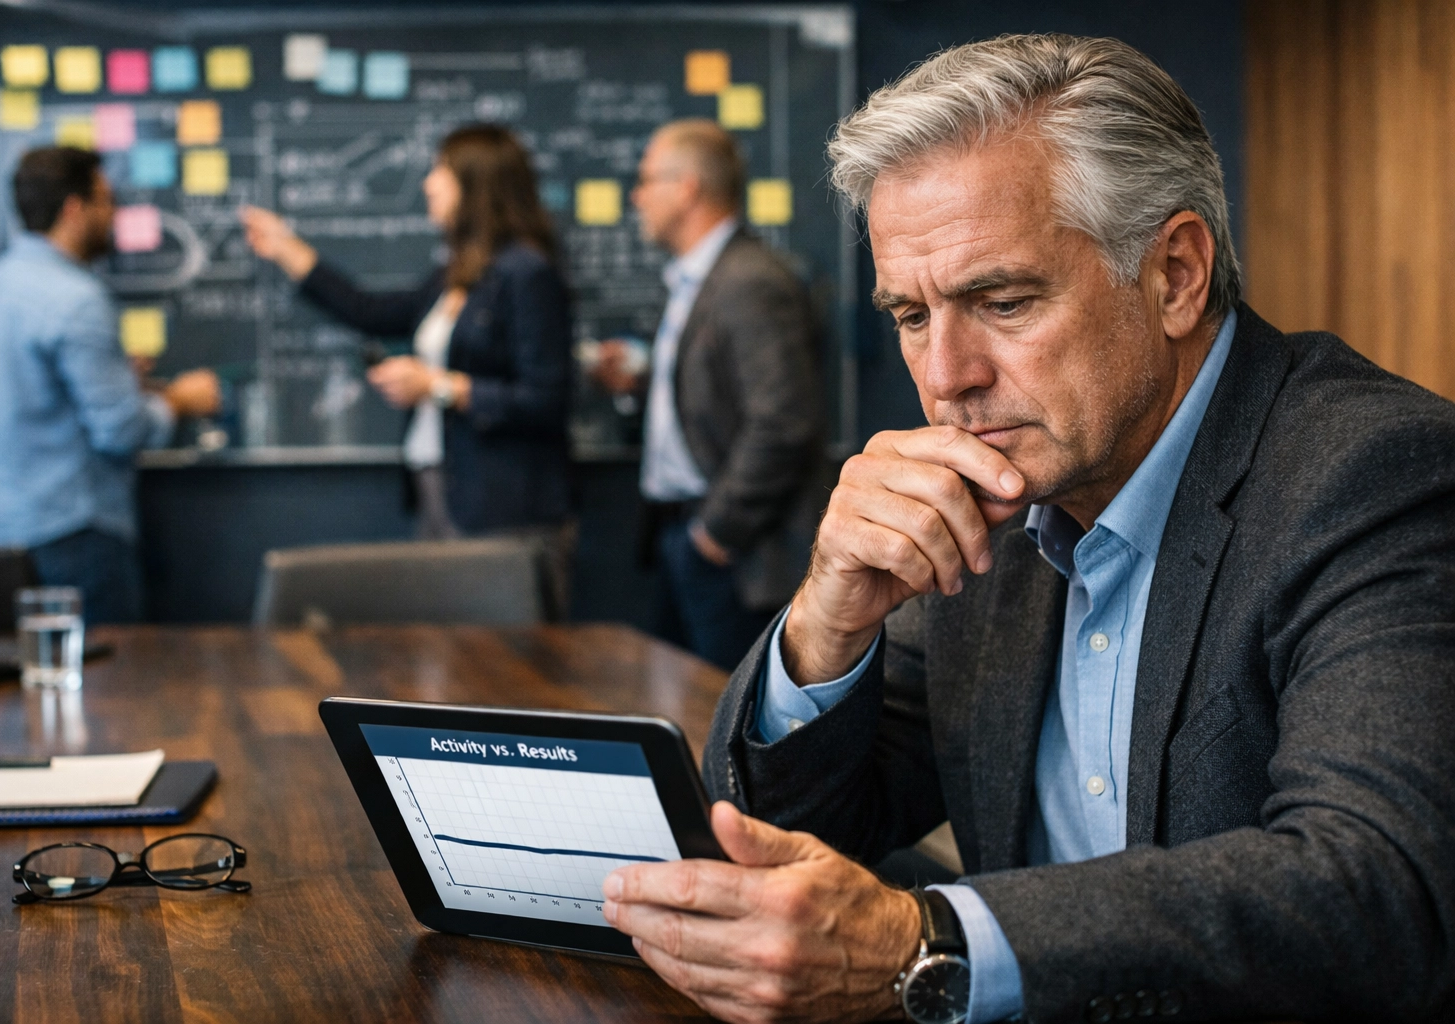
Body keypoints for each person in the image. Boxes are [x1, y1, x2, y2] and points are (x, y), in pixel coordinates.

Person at [599, 35, 1455, 1024]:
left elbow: (1378, 889)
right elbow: (788, 835)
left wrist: (931, 944)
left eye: (1001, 302)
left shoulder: (1375, 474)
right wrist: (825, 621)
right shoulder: (1001, 492)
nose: (947, 377)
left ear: (1175, 273)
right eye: (912, 316)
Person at [242, 124, 573, 615]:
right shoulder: (458, 274)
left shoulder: (527, 273)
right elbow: (372, 311)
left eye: (440, 170)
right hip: (443, 493)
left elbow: (548, 397)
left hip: (505, 511)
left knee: (505, 666)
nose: (427, 184)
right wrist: (288, 250)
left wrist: (439, 387)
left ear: (476, 184)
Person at [0, 147, 221, 625]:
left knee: (14, 692)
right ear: (74, 209)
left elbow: (0, 400)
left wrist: (118, 381)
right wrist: (180, 400)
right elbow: (120, 431)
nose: (113, 215)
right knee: (106, 694)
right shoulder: (77, 301)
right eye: (105, 201)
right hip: (73, 537)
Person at [591, 119, 823, 670]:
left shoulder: (749, 281)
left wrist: (716, 532)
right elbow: (722, 391)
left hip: (731, 549)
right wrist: (644, 382)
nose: (636, 196)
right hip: (681, 532)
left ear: (687, 186)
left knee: (723, 724)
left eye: (647, 180)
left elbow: (784, 420)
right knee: (678, 707)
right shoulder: (701, 276)